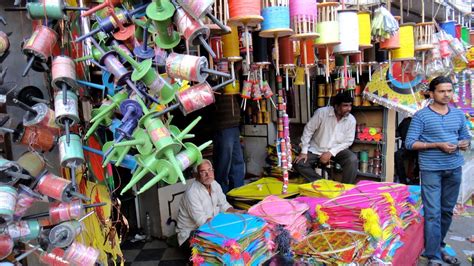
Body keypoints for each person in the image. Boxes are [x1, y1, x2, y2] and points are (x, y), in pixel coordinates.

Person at [405, 76, 471, 266]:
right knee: (433, 212)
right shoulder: (421, 116)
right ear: (432, 93)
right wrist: (437, 145)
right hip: (431, 169)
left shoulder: (458, 115)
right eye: (442, 91)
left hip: (454, 168)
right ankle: (433, 255)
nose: (446, 95)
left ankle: (438, 246)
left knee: (446, 211)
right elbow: (410, 143)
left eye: (449, 91)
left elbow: (465, 138)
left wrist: (463, 144)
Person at [176, 159, 244, 254]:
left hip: (210, 228)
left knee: (237, 241)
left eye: (210, 170)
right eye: (203, 172)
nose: (208, 174)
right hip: (191, 235)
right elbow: (202, 222)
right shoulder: (192, 193)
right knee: (223, 250)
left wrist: (239, 213)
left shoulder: (215, 184)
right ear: (196, 175)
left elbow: (224, 206)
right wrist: (225, 225)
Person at [294, 91, 358, 184]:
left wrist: (331, 153)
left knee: (352, 159)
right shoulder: (321, 113)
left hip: (336, 150)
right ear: (336, 106)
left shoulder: (351, 120)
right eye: (345, 106)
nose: (349, 109)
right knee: (299, 163)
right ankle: (322, 183)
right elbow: (309, 130)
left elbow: (348, 141)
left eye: (350, 105)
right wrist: (304, 152)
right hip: (316, 149)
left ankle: (347, 188)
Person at [212, 93, 245, 193]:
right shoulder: (217, 81)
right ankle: (222, 197)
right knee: (224, 164)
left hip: (234, 125)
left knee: (237, 163)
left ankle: (237, 195)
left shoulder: (231, 82)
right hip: (223, 125)